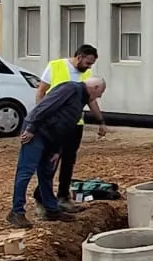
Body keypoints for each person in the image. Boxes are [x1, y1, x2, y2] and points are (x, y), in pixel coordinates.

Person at [10, 76, 106, 226]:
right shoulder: (70, 89)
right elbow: (45, 106)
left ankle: (51, 209)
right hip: (37, 133)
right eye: (99, 93)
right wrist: (31, 128)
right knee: (26, 171)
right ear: (95, 88)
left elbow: (65, 127)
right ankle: (17, 212)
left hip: (52, 138)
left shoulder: (80, 98)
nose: (98, 97)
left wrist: (57, 150)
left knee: (47, 172)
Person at [36, 43, 108, 206]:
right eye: (88, 63)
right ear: (79, 57)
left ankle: (63, 196)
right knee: (51, 159)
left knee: (69, 160)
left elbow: (91, 100)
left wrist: (101, 121)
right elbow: (41, 91)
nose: (89, 67)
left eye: (91, 64)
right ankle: (42, 197)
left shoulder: (87, 74)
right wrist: (41, 116)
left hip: (75, 124)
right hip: (55, 124)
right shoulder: (55, 66)